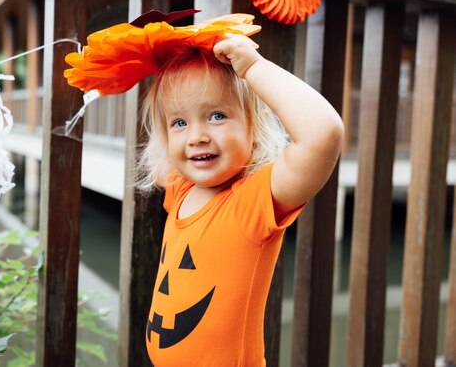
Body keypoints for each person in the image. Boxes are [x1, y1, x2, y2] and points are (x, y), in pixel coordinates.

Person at [140, 33, 343, 366]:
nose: (197, 137)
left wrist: (253, 67)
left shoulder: (252, 203)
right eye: (180, 122)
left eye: (217, 116)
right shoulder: (181, 189)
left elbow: (323, 134)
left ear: (254, 127)